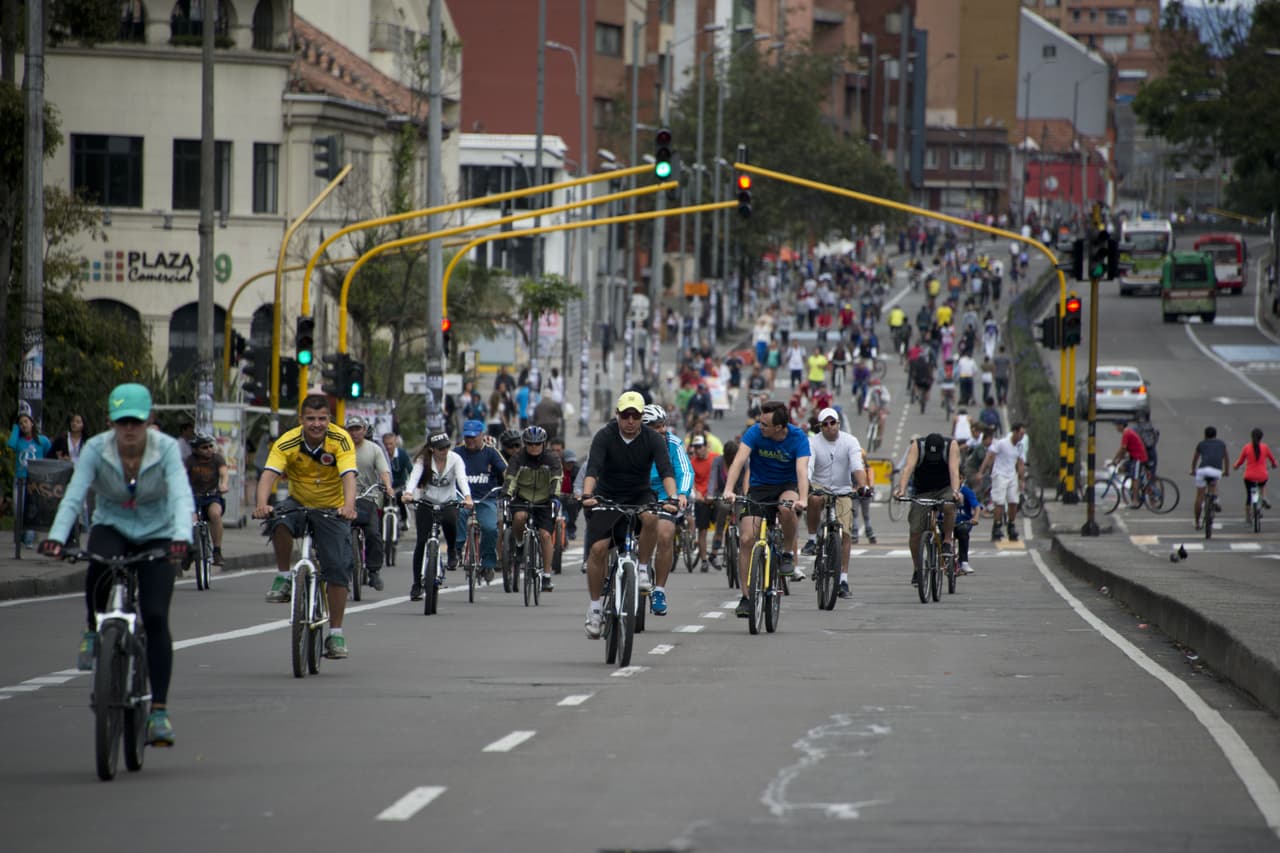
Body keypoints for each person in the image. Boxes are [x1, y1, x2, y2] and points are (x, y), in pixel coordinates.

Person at [40, 383, 192, 747]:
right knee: (98, 568)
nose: (129, 430)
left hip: (159, 531)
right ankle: (94, 632)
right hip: (112, 525)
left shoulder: (167, 449)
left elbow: (181, 495)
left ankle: (158, 712)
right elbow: (75, 493)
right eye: (122, 422)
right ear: (110, 421)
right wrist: (58, 537)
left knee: (155, 616)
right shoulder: (96, 448)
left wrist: (181, 538)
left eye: (136, 422)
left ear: (149, 420)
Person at [253, 395, 358, 659]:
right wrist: (261, 503)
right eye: (310, 419)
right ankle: (285, 577)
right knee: (278, 521)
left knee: (336, 569)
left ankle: (335, 634)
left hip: (332, 509)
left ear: (329, 420)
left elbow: (349, 476)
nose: (316, 424)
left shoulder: (341, 440)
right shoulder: (287, 441)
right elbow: (269, 474)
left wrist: (348, 506)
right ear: (301, 420)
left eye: (322, 419)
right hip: (299, 502)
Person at [579, 392, 677, 639]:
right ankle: (595, 609)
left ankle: (643, 569)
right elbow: (593, 468)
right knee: (598, 550)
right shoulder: (605, 436)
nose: (630, 420)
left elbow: (666, 470)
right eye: (625, 415)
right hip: (608, 496)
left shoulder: (653, 438)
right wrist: (587, 494)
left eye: (635, 415)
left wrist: (672, 497)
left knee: (651, 518)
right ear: (618, 415)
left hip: (639, 494)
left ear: (642, 417)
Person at [722, 400, 812, 616]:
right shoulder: (755, 432)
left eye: (765, 424)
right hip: (759, 488)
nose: (760, 426)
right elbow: (738, 461)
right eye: (760, 422)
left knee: (787, 508)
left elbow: (802, 470)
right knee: (746, 539)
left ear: (780, 428)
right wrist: (728, 490)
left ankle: (788, 553)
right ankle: (746, 597)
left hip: (787, 486)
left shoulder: (798, 437)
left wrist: (803, 498)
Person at [801, 408, 871, 600]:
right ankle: (812, 539)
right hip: (819, 485)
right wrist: (806, 485)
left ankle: (843, 580)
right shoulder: (813, 442)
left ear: (838, 423)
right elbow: (809, 466)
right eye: (825, 424)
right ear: (820, 427)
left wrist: (863, 486)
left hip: (843, 489)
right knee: (814, 499)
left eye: (833, 423)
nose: (829, 427)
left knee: (846, 533)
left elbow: (857, 465)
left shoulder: (850, 441)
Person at [402, 432, 473, 600]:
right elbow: (413, 477)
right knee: (421, 542)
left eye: (447, 446)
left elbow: (462, 478)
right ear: (432, 449)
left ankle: (452, 552)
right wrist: (408, 493)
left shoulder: (455, 459)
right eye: (441, 448)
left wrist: (467, 497)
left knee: (450, 521)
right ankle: (416, 584)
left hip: (448, 501)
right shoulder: (423, 461)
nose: (445, 450)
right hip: (426, 502)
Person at [641, 404, 693, 614]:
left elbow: (685, 470)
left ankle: (659, 590)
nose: (662, 430)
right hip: (637, 494)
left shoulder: (673, 443)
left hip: (664, 496)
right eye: (656, 426)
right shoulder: (633, 444)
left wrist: (682, 493)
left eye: (663, 425)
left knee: (665, 535)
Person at [894, 432, 962, 586]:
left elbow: (954, 471)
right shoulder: (917, 446)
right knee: (915, 530)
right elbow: (908, 468)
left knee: (949, 505)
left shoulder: (951, 446)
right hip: (922, 490)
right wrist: (901, 490)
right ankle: (917, 568)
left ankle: (947, 539)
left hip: (944, 488)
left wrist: (956, 492)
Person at [503, 425, 562, 593]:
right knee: (519, 517)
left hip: (545, 500)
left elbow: (557, 478)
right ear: (525, 444)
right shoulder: (518, 458)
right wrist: (507, 494)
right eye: (529, 444)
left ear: (544, 444)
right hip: (523, 498)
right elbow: (511, 477)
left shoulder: (552, 458)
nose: (533, 447)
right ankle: (520, 544)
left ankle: (547, 576)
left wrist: (555, 497)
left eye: (537, 444)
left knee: (545, 535)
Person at [455, 419, 506, 581]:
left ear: (482, 435)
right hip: (462, 497)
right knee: (456, 514)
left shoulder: (491, 452)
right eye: (467, 437)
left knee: (491, 528)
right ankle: (456, 549)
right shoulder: (457, 452)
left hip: (486, 498)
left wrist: (509, 488)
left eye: (474, 437)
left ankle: (489, 564)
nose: (470, 440)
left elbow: (506, 472)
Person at [345, 415, 392, 591]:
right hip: (343, 498)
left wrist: (388, 486)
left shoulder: (374, 449)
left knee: (373, 533)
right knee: (340, 534)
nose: (355, 432)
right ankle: (342, 573)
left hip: (368, 497)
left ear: (364, 430)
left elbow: (383, 471)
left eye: (358, 429)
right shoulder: (340, 448)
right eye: (351, 429)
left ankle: (373, 571)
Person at [10, 410, 53, 547]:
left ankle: (29, 539)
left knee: (33, 510)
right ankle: (21, 535)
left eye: (26, 422)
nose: (24, 425)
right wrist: (15, 428)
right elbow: (11, 445)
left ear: (32, 423)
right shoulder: (19, 441)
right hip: (20, 480)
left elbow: (48, 453)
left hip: (35, 481)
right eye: (21, 423)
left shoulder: (42, 440)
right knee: (19, 509)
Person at [185, 433, 229, 566]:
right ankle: (189, 550)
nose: (209, 449)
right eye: (204, 447)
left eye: (211, 446)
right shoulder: (190, 460)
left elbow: (224, 473)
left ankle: (217, 551)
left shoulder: (217, 459)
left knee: (215, 514)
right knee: (190, 521)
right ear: (196, 450)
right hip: (193, 497)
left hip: (212, 496)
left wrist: (223, 484)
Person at [978, 422, 1027, 541]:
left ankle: (1011, 525)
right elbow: (989, 456)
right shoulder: (1002, 443)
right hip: (999, 474)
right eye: (1020, 434)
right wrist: (981, 472)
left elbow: (1020, 463)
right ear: (1014, 432)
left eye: (1023, 434)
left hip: (1012, 475)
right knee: (999, 502)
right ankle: (997, 526)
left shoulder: (1020, 446)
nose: (1021, 436)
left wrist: (1021, 480)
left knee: (1013, 501)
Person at [688, 434, 719, 572]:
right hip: (702, 499)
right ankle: (704, 560)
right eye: (695, 447)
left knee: (721, 525)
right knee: (702, 531)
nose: (697, 450)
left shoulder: (716, 458)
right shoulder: (693, 462)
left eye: (700, 447)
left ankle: (714, 553)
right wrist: (697, 494)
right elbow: (692, 482)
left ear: (706, 446)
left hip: (716, 496)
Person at [1233, 427, 1277, 519]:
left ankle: (1248, 517)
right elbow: (1273, 461)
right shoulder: (1265, 447)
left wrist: (1236, 466)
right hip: (1262, 475)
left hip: (1249, 476)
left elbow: (1240, 461)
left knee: (1249, 496)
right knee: (1262, 484)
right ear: (1261, 437)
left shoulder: (1247, 447)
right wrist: (1274, 465)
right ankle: (1263, 497)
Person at [1190, 426, 1228, 531]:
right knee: (1214, 483)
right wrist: (1227, 471)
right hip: (1216, 471)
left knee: (1199, 497)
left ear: (1205, 435)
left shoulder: (1201, 444)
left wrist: (1193, 470)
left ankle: (1197, 522)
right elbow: (1226, 458)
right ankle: (1215, 499)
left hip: (1202, 470)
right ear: (1215, 435)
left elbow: (1195, 459)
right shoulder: (1221, 444)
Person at [1111, 420, 1150, 509]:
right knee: (1123, 469)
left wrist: (1115, 460)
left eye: (1117, 425)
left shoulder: (1126, 433)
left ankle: (1135, 501)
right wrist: (1118, 460)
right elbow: (1125, 449)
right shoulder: (1127, 433)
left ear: (1121, 425)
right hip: (1134, 457)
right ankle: (1133, 491)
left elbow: (1122, 449)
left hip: (1138, 458)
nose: (1116, 428)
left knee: (1135, 479)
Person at [954, 472, 982, 575]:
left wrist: (975, 518)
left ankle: (964, 562)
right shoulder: (944, 491)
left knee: (963, 532)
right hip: (945, 522)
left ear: (962, 479)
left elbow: (977, 506)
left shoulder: (966, 491)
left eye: (958, 478)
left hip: (962, 522)